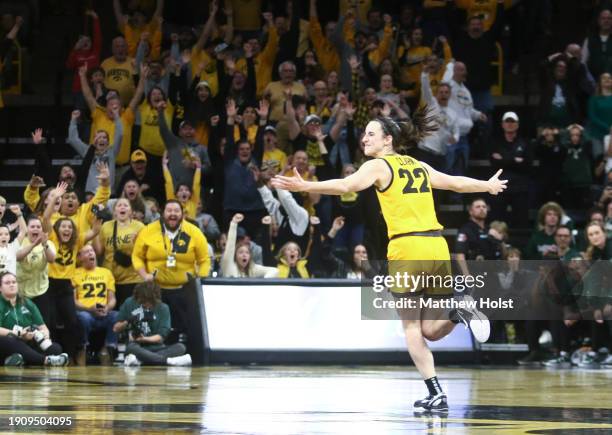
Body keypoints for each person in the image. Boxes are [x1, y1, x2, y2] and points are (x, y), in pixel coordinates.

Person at [272, 114, 507, 412]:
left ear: (388, 140)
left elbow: (347, 186)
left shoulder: (377, 165)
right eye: (364, 135)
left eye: (371, 134)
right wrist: (486, 185)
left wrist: (305, 186)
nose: (365, 139)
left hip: (407, 248)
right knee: (432, 330)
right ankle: (459, 313)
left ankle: (436, 391)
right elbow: (455, 184)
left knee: (411, 328)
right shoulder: (418, 166)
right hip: (436, 246)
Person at [132, 200, 211, 337]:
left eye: (176, 211)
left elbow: (204, 259)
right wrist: (144, 275)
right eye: (169, 211)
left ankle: (182, 354)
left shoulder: (194, 232)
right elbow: (137, 256)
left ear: (182, 214)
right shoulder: (148, 230)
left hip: (184, 289)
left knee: (183, 328)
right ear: (162, 213)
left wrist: (200, 279)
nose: (172, 214)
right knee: (156, 327)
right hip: (155, 290)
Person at [113, 281, 192, 366]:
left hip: (158, 348)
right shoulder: (129, 302)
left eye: (148, 302)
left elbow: (161, 337)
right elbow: (116, 328)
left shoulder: (163, 308)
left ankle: (141, 361)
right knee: (131, 348)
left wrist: (144, 339)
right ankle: (167, 361)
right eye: (142, 302)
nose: (145, 305)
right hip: (138, 347)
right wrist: (129, 320)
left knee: (180, 347)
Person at [0, 272, 69, 367]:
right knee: (9, 341)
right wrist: (18, 333)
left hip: (28, 342)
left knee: (56, 348)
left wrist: (43, 335)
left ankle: (19, 359)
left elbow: (43, 327)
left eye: (14, 282)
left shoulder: (27, 303)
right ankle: (45, 360)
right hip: (8, 343)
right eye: (7, 283)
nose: (12, 285)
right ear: (0, 288)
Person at [94, 198, 144, 308]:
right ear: (114, 211)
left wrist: (137, 242)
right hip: (110, 280)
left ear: (131, 211)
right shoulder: (106, 226)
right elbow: (99, 251)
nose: (122, 207)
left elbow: (145, 253)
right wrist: (95, 233)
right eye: (119, 205)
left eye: (125, 205)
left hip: (132, 279)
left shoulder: (139, 226)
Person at [72, 245, 118, 366]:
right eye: (86, 252)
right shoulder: (74, 273)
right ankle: (82, 349)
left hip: (104, 313)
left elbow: (112, 299)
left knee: (116, 316)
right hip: (86, 313)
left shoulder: (106, 273)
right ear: (80, 257)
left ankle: (107, 348)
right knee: (83, 317)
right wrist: (89, 309)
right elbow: (73, 301)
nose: (91, 253)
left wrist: (107, 308)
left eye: (92, 251)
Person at [16, 216, 56, 323]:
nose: (36, 229)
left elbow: (52, 259)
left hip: (41, 291)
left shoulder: (48, 243)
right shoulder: (19, 242)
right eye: (32, 226)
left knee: (43, 322)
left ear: (42, 230)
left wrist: (44, 244)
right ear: (27, 229)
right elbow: (18, 257)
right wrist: (33, 245)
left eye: (38, 226)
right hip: (21, 293)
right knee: (24, 323)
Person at [221, 214, 278, 278]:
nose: (244, 255)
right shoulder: (229, 266)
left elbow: (274, 270)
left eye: (247, 253)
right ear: (235, 256)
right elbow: (230, 246)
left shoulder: (252, 269)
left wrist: (262, 284)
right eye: (241, 252)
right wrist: (234, 223)